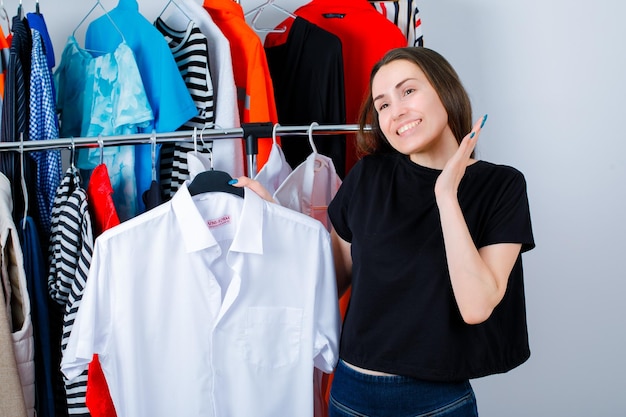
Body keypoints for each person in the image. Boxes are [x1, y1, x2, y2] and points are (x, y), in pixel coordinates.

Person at [233, 46, 535, 416]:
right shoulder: (369, 177)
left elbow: (476, 306)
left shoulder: (500, 186)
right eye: (383, 105)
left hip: (437, 402)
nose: (397, 111)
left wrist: (446, 195)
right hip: (351, 395)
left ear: (445, 90)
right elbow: (326, 279)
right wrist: (275, 218)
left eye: (408, 91)